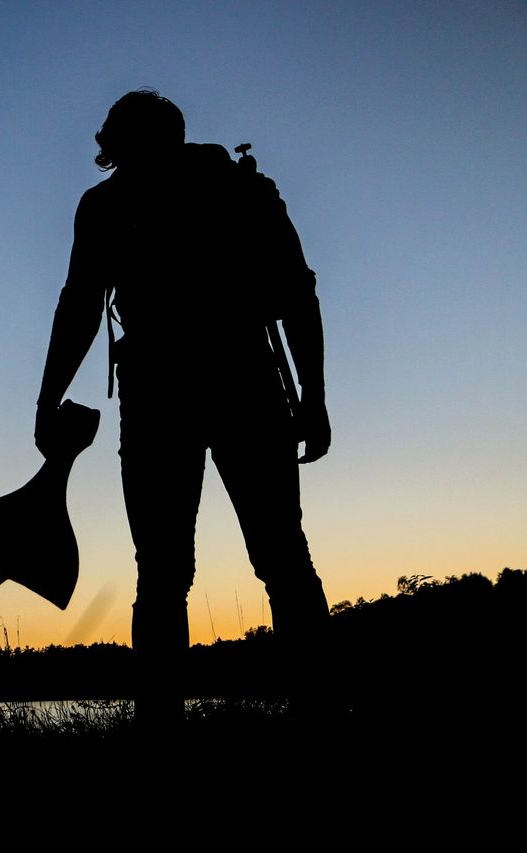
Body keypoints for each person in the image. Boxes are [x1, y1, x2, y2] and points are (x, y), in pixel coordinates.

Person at [35, 89, 332, 722]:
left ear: (118, 143)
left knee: (177, 570)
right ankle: (310, 713)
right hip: (230, 384)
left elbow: (81, 305)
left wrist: (47, 401)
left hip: (180, 392)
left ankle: (167, 726)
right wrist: (314, 397)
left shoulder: (118, 203)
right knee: (267, 557)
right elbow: (297, 293)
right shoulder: (230, 190)